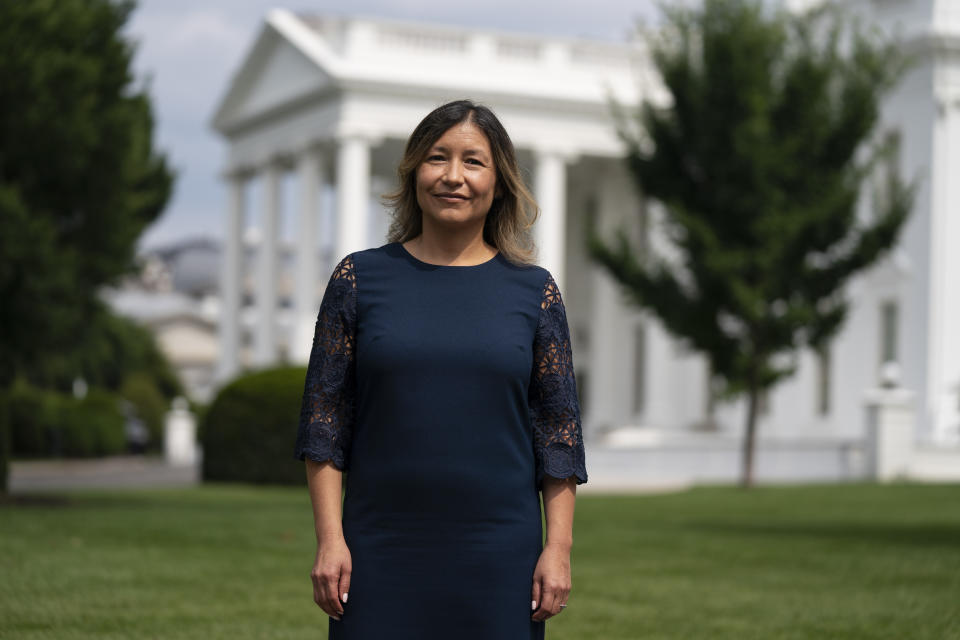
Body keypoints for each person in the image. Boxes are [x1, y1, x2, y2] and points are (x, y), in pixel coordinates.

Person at [293, 98, 588, 639]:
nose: (453, 176)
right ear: (413, 173)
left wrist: (558, 548)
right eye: (437, 158)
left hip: (501, 551)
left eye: (473, 161)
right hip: (378, 548)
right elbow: (324, 423)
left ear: (499, 182)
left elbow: (558, 434)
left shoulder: (535, 291)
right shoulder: (358, 280)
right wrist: (330, 539)